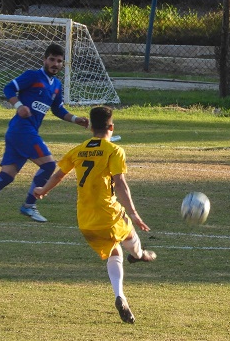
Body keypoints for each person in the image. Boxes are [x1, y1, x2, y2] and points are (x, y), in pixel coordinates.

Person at [33, 106, 155, 324]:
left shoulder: (78, 150)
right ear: (111, 127)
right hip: (108, 213)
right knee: (129, 234)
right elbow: (120, 183)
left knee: (113, 250)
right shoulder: (113, 150)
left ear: (90, 127)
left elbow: (58, 175)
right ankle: (139, 255)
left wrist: (43, 190)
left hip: (85, 219)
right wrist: (134, 213)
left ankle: (121, 295)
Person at [0, 43, 89, 224]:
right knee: (48, 165)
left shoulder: (56, 85)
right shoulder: (33, 76)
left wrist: (76, 119)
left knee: (7, 175)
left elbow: (58, 109)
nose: (55, 63)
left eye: (59, 61)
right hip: (22, 130)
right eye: (52, 59)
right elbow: (8, 88)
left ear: (63, 64)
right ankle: (29, 206)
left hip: (19, 133)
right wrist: (19, 105)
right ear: (44, 59)